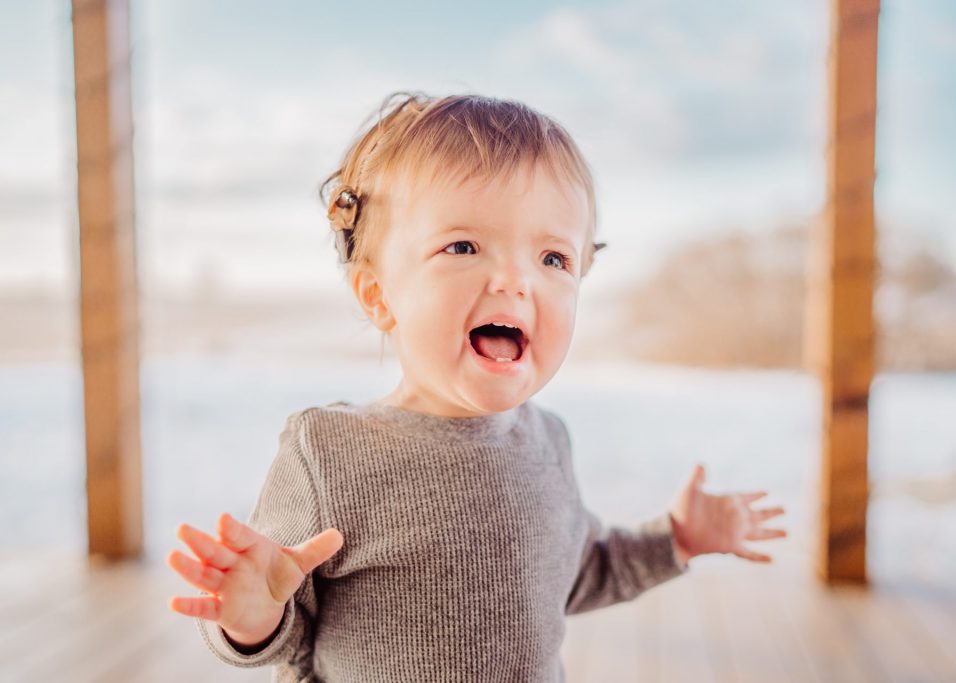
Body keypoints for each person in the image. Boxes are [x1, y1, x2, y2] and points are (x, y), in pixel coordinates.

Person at [165, 91, 788, 682]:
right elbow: (284, 616)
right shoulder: (328, 451)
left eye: (553, 259)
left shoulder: (548, 441)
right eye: (463, 246)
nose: (516, 280)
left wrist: (675, 540)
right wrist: (254, 616)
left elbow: (574, 574)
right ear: (380, 296)